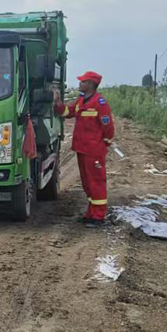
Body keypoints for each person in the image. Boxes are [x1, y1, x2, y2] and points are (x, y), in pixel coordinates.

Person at [53, 71, 115, 224]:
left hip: (94, 150)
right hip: (81, 148)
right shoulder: (81, 100)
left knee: (96, 182)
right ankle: (91, 212)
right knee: (87, 182)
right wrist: (58, 102)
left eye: (83, 82)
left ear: (91, 84)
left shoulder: (100, 103)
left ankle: (98, 216)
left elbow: (108, 127)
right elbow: (68, 112)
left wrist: (104, 144)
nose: (79, 84)